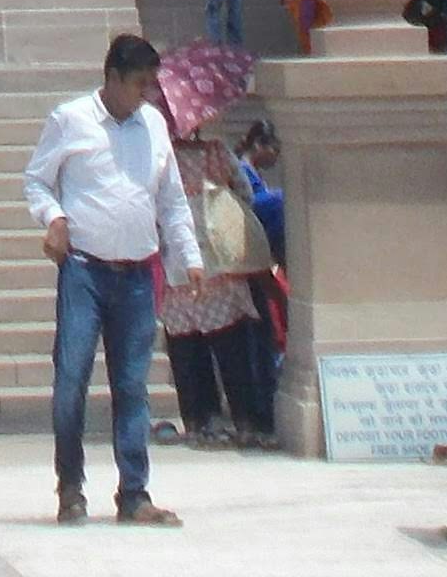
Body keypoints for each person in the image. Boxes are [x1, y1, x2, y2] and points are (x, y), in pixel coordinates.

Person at [24, 33, 199, 528]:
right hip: (84, 270)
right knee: (72, 380)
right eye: (140, 84)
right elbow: (37, 179)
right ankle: (71, 488)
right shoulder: (71, 120)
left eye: (152, 85)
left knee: (132, 385)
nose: (148, 94)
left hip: (138, 273)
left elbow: (171, 200)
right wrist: (53, 217)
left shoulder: (154, 126)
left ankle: (134, 493)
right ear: (113, 78)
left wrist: (190, 258)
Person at [153, 122, 282, 448]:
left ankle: (198, 419)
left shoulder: (160, 156)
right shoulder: (217, 152)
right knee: (232, 347)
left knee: (186, 348)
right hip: (219, 264)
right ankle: (245, 420)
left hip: (177, 263)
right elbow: (245, 194)